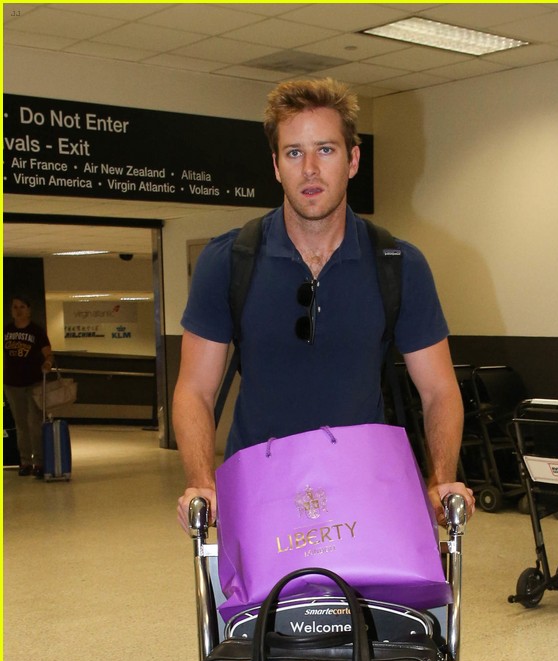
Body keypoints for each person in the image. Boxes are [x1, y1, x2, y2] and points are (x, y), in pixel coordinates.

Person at [173, 76, 475, 532]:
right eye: (294, 152)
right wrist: (201, 484)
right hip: (258, 496)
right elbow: (195, 389)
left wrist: (441, 479)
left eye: (326, 150)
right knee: (263, 608)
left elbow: (439, 391)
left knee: (365, 608)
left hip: (365, 497)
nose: (310, 169)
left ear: (353, 160)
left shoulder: (398, 264)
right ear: (276, 165)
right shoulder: (230, 261)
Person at [3, 295, 53, 477]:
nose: (18, 310)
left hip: (34, 382)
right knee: (21, 424)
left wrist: (47, 363)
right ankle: (25, 461)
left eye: (22, 307)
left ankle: (39, 462)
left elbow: (48, 354)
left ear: (29, 310)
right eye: (15, 307)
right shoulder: (6, 330)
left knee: (35, 423)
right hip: (12, 383)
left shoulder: (36, 331)